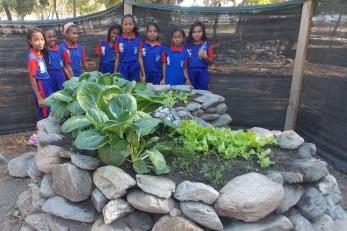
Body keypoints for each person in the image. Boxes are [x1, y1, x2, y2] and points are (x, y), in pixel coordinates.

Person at [26, 27, 53, 145]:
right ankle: (35, 137)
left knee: (49, 111)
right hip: (41, 86)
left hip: (46, 84)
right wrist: (39, 97)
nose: (40, 42)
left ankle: (44, 136)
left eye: (42, 39)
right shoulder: (32, 58)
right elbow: (32, 78)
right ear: (30, 41)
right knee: (45, 113)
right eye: (36, 40)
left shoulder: (40, 54)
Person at [114, 14, 146, 82]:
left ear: (133, 25)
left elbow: (140, 57)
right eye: (125, 24)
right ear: (122, 26)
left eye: (130, 24)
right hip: (122, 68)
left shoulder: (138, 40)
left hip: (134, 68)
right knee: (123, 87)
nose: (128, 26)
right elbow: (117, 57)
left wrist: (143, 73)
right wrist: (115, 72)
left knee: (134, 87)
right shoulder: (119, 40)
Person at [186, 22, 214, 90]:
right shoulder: (187, 45)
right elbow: (184, 62)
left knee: (203, 92)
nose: (197, 34)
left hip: (202, 72)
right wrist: (186, 77)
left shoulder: (207, 45)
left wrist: (205, 57)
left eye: (199, 31)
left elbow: (210, 62)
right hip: (190, 72)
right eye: (194, 32)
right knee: (191, 91)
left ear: (203, 32)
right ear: (191, 33)